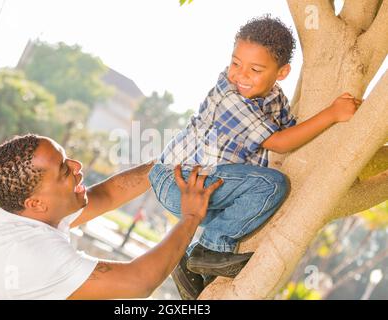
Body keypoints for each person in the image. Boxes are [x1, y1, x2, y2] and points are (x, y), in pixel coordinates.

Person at [149, 15, 361, 299]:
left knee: (251, 205)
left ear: (281, 73)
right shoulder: (230, 95)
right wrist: (332, 114)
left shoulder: (275, 99)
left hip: (208, 187)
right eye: (235, 63)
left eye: (254, 69)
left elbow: (295, 131)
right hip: (181, 180)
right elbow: (281, 143)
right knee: (271, 185)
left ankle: (188, 263)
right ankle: (209, 249)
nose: (240, 75)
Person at [0, 134, 223, 299]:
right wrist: (190, 216)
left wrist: (169, 163)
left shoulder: (15, 207)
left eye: (67, 158)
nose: (77, 166)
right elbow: (138, 283)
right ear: (36, 203)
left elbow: (107, 195)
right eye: (64, 170)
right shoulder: (30, 254)